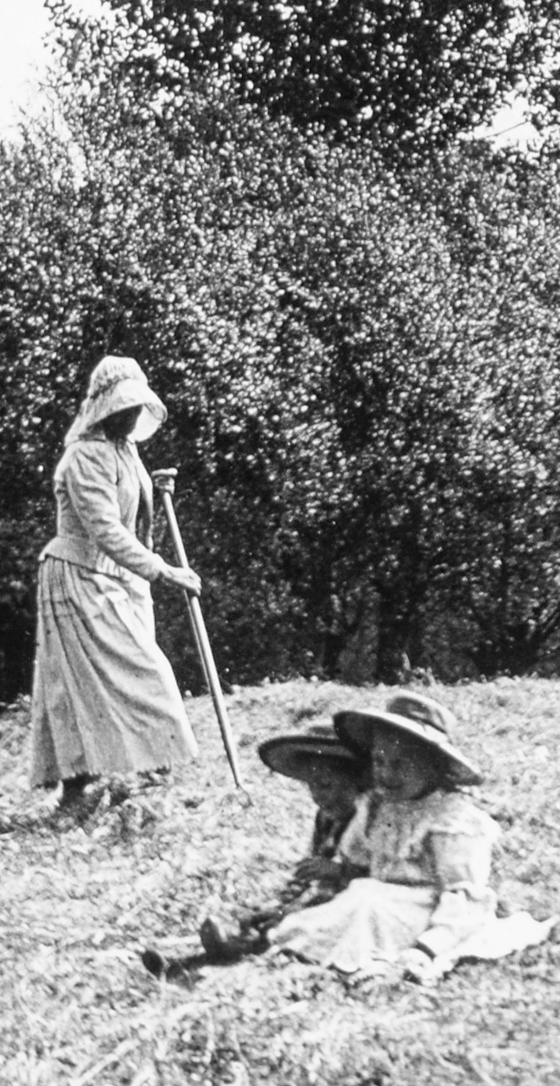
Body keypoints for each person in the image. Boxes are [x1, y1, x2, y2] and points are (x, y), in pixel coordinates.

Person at [264, 692, 554, 983]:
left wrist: (429, 947)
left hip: (426, 913)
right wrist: (340, 871)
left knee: (367, 901)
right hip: (376, 902)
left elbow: (464, 896)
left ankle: (381, 957)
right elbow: (360, 862)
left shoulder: (450, 819)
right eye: (379, 762)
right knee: (353, 901)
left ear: (434, 767)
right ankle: (294, 943)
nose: (386, 774)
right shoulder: (377, 807)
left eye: (401, 764)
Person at [28, 355, 203, 815]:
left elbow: (135, 526)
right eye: (123, 407)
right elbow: (105, 530)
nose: (130, 415)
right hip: (77, 576)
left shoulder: (126, 451)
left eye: (136, 407)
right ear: (104, 407)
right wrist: (163, 570)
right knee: (83, 683)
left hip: (119, 577)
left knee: (135, 669)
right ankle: (79, 786)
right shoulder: (83, 456)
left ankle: (153, 773)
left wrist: (145, 571)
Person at [194, 721, 369, 963]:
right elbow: (307, 875)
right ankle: (239, 939)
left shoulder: (369, 821)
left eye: (326, 785)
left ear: (355, 780)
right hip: (318, 898)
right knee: (264, 914)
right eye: (312, 786)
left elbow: (384, 877)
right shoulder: (326, 818)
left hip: (351, 907)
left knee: (300, 922)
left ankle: (250, 946)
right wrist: (281, 904)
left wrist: (339, 872)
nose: (319, 795)